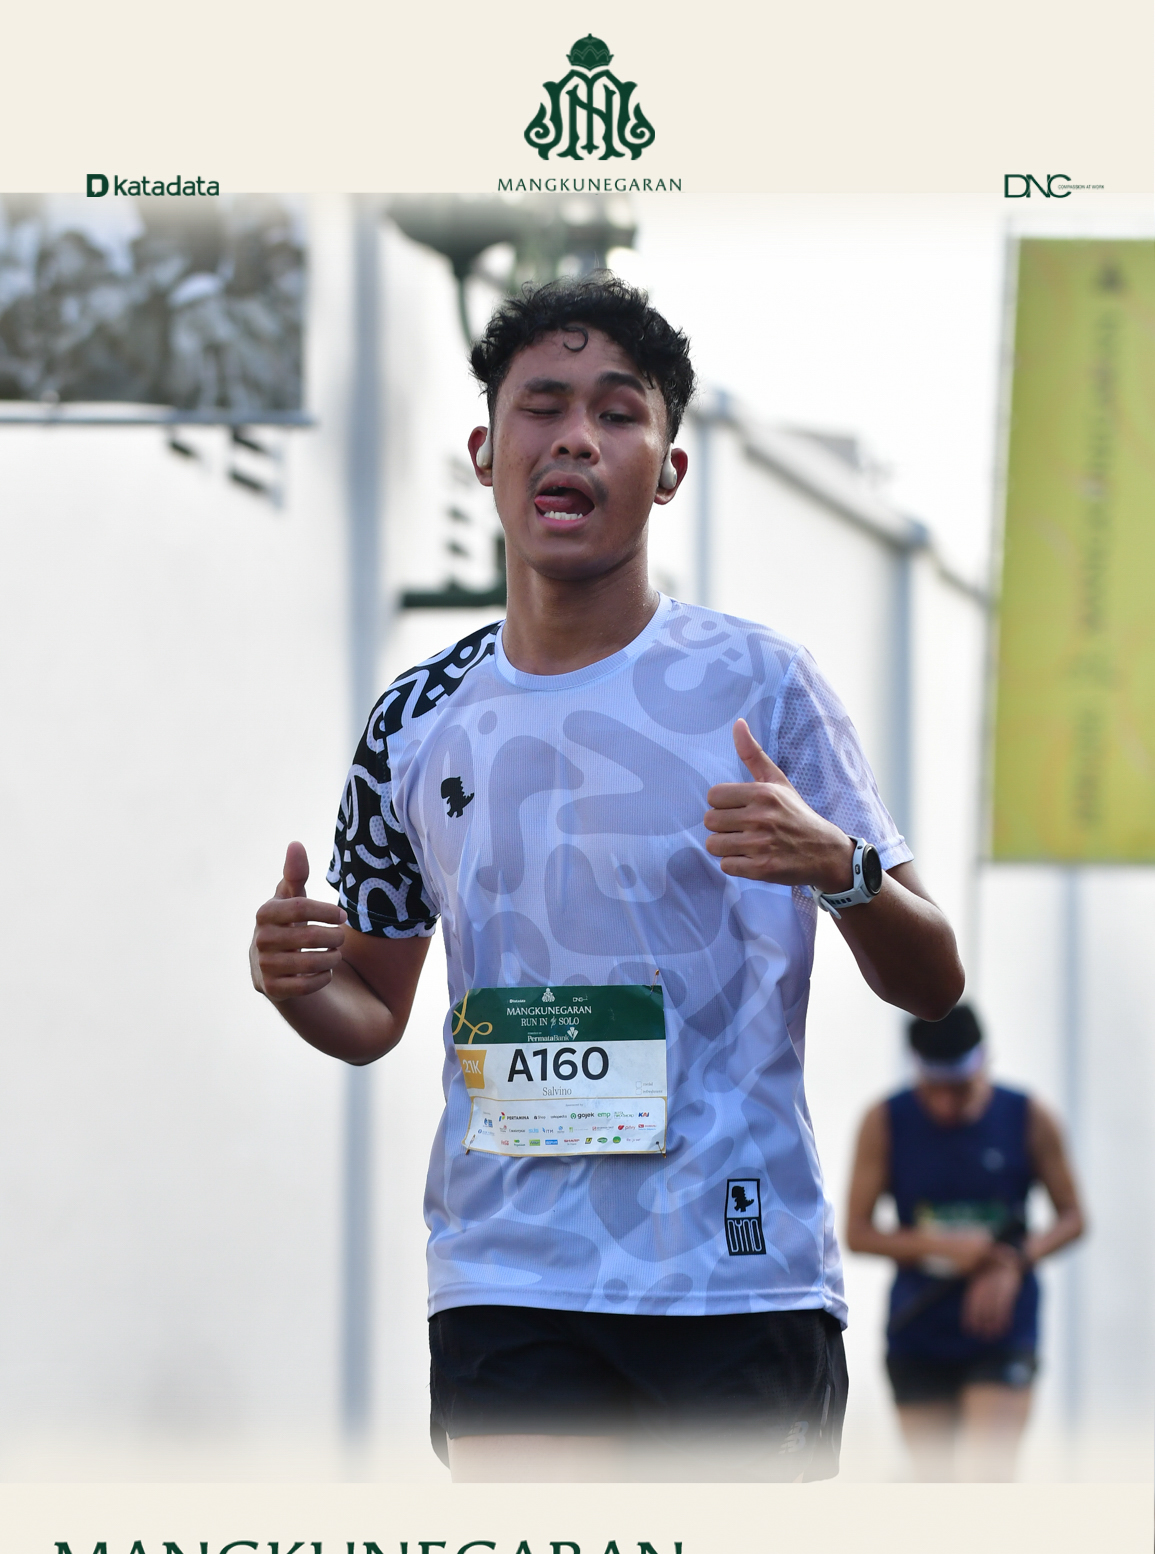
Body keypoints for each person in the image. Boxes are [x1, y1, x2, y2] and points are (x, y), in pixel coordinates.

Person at [249, 273, 964, 1482]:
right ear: (486, 453)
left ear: (669, 470)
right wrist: (296, 981)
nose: (575, 436)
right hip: (508, 1270)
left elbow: (933, 979)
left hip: (735, 1273)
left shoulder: (762, 687)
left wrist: (841, 869)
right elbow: (372, 1010)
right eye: (542, 406)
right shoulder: (412, 724)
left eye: (618, 412)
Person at [845, 1004, 1085, 1481]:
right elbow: (857, 1233)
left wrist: (1016, 1260)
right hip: (920, 1324)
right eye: (934, 1090)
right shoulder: (885, 1122)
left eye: (961, 1089)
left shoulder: (1028, 1117)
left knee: (986, 1478)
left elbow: (1073, 1217)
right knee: (935, 1484)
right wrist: (942, 1245)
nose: (947, 1105)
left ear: (984, 1064)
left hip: (1001, 1326)